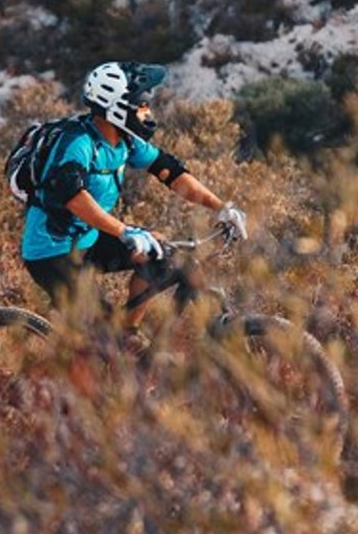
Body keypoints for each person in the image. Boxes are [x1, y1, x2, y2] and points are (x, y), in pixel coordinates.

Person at [20, 61, 247, 334]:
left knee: (163, 257)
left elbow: (171, 173)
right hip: (51, 253)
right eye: (140, 105)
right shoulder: (77, 143)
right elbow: (73, 197)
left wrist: (222, 208)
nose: (147, 112)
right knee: (99, 337)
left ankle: (128, 335)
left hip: (89, 240)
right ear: (116, 106)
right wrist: (123, 231)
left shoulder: (125, 140)